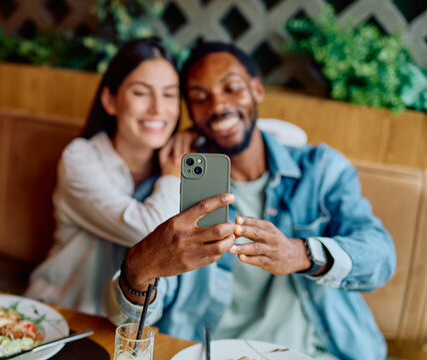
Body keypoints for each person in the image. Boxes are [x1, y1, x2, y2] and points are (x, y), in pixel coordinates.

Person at [103, 41, 396, 360]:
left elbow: (381, 259)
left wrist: (300, 254)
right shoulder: (176, 191)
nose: (217, 106)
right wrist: (138, 270)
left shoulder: (321, 170)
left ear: (257, 89)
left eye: (231, 88)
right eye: (200, 98)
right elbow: (125, 321)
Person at [25, 37, 193, 315]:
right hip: (62, 315)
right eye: (141, 93)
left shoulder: (177, 160)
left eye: (169, 94)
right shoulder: (80, 159)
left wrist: (197, 132)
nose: (158, 108)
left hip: (133, 326)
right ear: (110, 100)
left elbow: (281, 133)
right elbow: (154, 237)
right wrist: (172, 178)